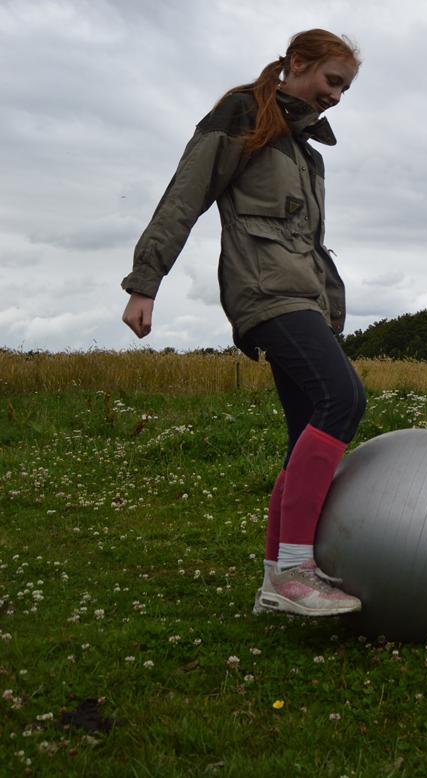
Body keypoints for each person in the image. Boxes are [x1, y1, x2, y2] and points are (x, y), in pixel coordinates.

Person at [121, 29, 366, 617]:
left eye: (347, 88)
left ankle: (274, 582)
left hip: (303, 300)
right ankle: (295, 571)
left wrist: (331, 311)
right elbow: (185, 194)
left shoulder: (307, 152)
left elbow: (311, 245)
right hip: (265, 296)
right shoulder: (244, 114)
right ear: (298, 64)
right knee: (344, 398)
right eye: (332, 81)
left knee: (306, 426)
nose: (337, 96)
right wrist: (144, 282)